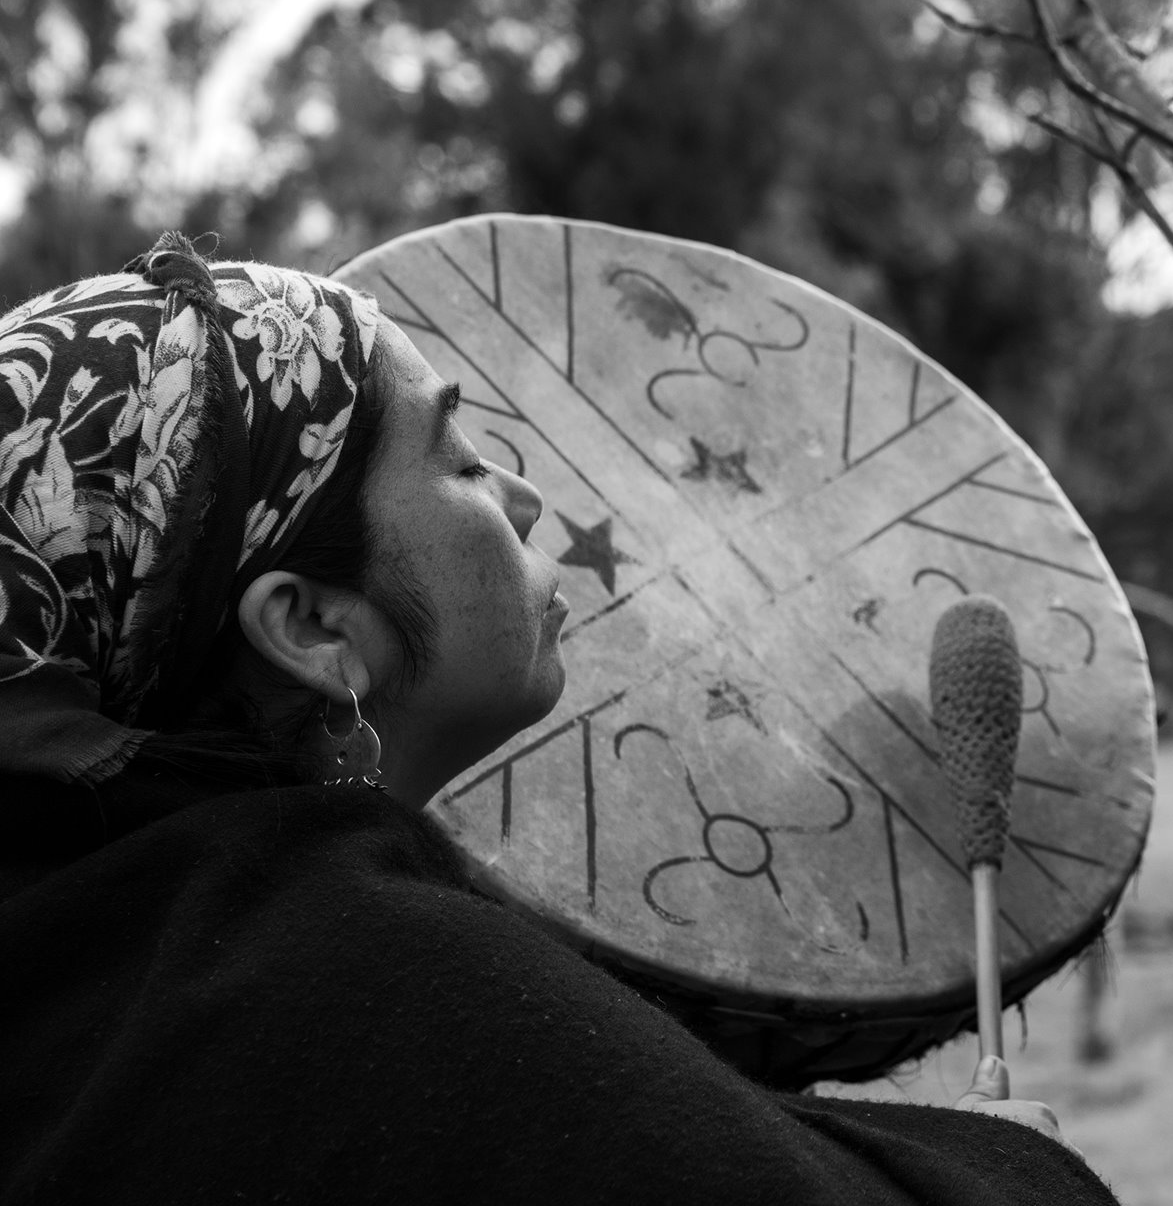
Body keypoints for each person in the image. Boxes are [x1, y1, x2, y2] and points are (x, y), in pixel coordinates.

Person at [0, 234, 1116, 1205]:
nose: (529, 497)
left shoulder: (94, 954)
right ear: (310, 624)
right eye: (464, 460)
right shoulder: (374, 996)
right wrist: (1004, 1163)